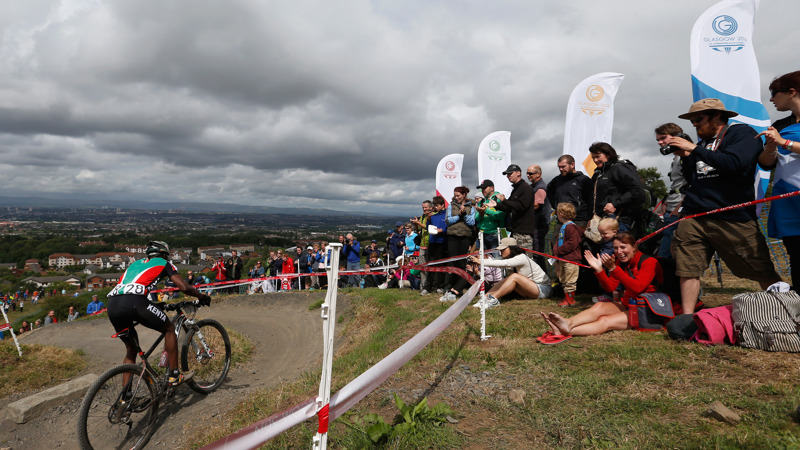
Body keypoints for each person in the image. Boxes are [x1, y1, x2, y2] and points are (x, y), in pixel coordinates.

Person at [668, 98, 782, 313]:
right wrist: (686, 156)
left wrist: (693, 148)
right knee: (687, 267)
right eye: (692, 121)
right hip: (695, 214)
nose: (694, 124)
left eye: (698, 119)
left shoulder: (741, 134)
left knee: (760, 268)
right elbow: (695, 178)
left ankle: (785, 310)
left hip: (732, 215)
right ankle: (687, 317)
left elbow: (734, 164)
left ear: (717, 116)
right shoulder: (702, 144)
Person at [107, 241, 211, 387]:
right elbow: (184, 287)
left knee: (131, 350)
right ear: (164, 254)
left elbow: (131, 289)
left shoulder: (135, 264)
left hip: (112, 305)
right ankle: (174, 375)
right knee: (169, 330)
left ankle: (126, 398)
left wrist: (154, 305)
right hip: (135, 302)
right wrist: (202, 297)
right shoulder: (164, 263)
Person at [541, 233, 661, 337]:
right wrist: (599, 270)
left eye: (623, 247)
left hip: (646, 309)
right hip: (628, 303)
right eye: (615, 248)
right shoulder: (621, 262)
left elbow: (638, 287)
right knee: (599, 306)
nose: (619, 252)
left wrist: (614, 268)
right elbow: (610, 287)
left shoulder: (649, 262)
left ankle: (564, 332)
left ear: (634, 247)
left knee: (605, 320)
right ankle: (568, 323)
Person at [757, 71, 800, 288]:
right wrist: (771, 147)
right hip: (788, 205)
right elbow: (766, 163)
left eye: (774, 93)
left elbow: (787, 145)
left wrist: (783, 142)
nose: (772, 99)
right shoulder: (782, 124)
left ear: (792, 92)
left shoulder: (783, 134)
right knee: (797, 260)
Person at [467, 237, 551, 309]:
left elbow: (504, 264)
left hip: (542, 289)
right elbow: (494, 261)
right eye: (500, 249)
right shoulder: (510, 258)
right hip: (530, 288)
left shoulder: (521, 257)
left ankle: (494, 299)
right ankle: (484, 298)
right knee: (508, 278)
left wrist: (480, 261)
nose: (501, 251)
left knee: (514, 276)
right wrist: (476, 259)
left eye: (503, 249)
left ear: (511, 248)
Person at [588, 142, 646, 232]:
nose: (595, 160)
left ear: (608, 154)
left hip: (619, 220)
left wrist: (615, 204)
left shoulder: (619, 168)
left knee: (615, 246)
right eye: (593, 158)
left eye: (598, 156)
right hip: (601, 220)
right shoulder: (598, 173)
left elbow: (636, 190)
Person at [655, 123, 691, 260]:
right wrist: (666, 201)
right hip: (671, 206)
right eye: (658, 139)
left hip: (680, 209)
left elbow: (694, 183)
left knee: (668, 254)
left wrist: (679, 207)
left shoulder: (686, 155)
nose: (660, 142)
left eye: (663, 138)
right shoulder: (676, 157)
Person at [490, 164, 537, 256]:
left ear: (518, 173)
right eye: (507, 174)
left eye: (510, 173)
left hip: (524, 233)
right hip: (515, 231)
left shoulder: (526, 188)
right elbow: (509, 208)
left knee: (525, 262)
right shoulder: (516, 189)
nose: (508, 176)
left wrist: (504, 201)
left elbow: (521, 206)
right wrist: (497, 205)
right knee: (513, 261)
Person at [547, 155, 594, 229]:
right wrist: (556, 205)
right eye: (559, 167)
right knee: (555, 240)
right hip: (561, 220)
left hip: (579, 220)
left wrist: (589, 218)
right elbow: (549, 191)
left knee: (576, 240)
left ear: (572, 164)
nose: (561, 169)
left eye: (563, 166)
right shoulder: (556, 180)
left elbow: (591, 200)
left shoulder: (584, 180)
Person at [445, 186, 475, 291]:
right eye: (455, 195)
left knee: (461, 262)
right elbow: (448, 220)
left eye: (458, 195)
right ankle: (449, 285)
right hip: (452, 236)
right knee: (452, 260)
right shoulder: (450, 206)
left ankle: (458, 287)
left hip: (465, 237)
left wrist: (465, 214)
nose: (456, 197)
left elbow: (472, 222)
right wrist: (459, 215)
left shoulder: (471, 206)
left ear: (464, 195)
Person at [552, 203, 582, 307]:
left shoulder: (571, 227)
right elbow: (559, 241)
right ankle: (566, 298)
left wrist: (559, 250)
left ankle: (571, 300)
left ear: (560, 214)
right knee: (564, 279)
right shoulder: (564, 227)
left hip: (571, 259)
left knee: (570, 280)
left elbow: (572, 243)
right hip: (563, 258)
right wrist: (555, 249)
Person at [527, 164, 553, 266]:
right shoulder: (533, 186)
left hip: (540, 225)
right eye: (527, 173)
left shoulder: (540, 188)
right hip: (535, 225)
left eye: (531, 173)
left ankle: (543, 279)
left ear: (538, 174)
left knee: (537, 254)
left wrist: (521, 205)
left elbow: (536, 205)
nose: (528, 175)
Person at [423, 196, 448, 294]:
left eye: (437, 205)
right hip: (433, 243)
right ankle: (427, 287)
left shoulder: (446, 215)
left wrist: (442, 231)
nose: (436, 207)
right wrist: (428, 219)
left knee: (442, 265)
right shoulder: (433, 216)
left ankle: (440, 286)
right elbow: (428, 227)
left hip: (443, 243)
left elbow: (449, 228)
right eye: (435, 205)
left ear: (442, 205)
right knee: (430, 265)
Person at [473, 180, 506, 250]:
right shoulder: (481, 201)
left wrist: (486, 211)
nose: (483, 190)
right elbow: (476, 218)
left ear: (492, 188)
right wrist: (481, 214)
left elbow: (501, 216)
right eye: (482, 188)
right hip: (482, 234)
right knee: (483, 259)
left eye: (485, 188)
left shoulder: (499, 198)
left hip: (496, 234)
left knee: (496, 258)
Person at [411, 200, 433, 295]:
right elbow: (419, 230)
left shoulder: (433, 216)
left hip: (430, 244)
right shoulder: (423, 216)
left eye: (425, 207)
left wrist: (419, 224)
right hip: (422, 244)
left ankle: (430, 287)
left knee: (431, 267)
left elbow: (429, 227)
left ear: (431, 207)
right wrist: (416, 224)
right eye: (423, 207)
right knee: (422, 267)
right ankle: (423, 286)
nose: (424, 209)